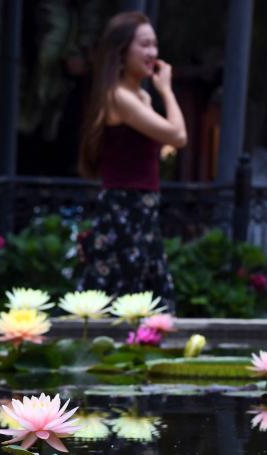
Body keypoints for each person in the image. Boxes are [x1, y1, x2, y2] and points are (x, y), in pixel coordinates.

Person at [77, 11, 187, 309]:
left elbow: (160, 143)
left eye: (154, 44)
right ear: (122, 52)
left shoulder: (140, 98)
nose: (152, 52)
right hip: (123, 208)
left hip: (143, 209)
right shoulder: (118, 97)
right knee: (121, 297)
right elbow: (178, 135)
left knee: (149, 299)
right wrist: (166, 90)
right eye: (144, 45)